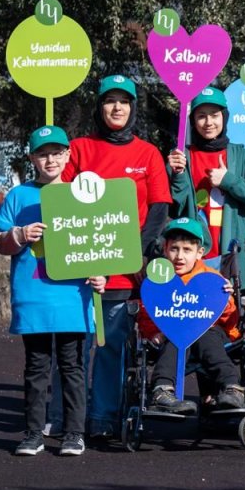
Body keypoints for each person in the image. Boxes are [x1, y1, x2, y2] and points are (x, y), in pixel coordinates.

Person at [62, 74, 172, 438]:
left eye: (124, 101)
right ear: (100, 106)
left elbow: (158, 210)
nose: (117, 107)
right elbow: (60, 201)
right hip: (81, 269)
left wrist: (130, 253)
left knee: (111, 346)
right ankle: (80, 420)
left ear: (133, 108)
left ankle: (109, 416)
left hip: (125, 272)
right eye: (110, 100)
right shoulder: (79, 149)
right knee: (77, 352)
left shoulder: (148, 153)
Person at [0, 126, 105, 458]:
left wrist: (101, 276)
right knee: (36, 367)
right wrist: (20, 233)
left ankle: (73, 434)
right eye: (43, 153)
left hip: (74, 296)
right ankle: (33, 433)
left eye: (57, 152)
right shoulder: (18, 195)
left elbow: (101, 242)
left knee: (73, 368)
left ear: (68, 155)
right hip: (34, 297)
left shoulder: (83, 194)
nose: (50, 159)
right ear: (31, 158)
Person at [131, 217, 245, 414]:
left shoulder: (213, 279)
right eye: (174, 249)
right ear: (165, 249)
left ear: (199, 253)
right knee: (175, 336)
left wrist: (226, 301)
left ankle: (232, 388)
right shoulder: (158, 279)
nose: (179, 256)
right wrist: (152, 333)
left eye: (187, 250)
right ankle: (162, 390)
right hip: (171, 335)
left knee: (206, 335)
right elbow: (147, 311)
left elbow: (231, 322)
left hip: (210, 333)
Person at [168, 86, 245, 290]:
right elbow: (175, 208)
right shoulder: (183, 158)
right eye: (201, 116)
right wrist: (178, 175)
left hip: (232, 258)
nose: (209, 122)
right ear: (193, 121)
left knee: (232, 319)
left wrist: (228, 180)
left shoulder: (241, 156)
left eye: (214, 115)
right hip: (193, 261)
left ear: (224, 118)